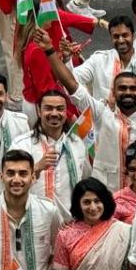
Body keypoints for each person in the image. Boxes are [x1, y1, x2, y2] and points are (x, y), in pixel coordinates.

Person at [43, 30, 136, 193]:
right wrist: (50, 50)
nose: (127, 92)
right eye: (122, 88)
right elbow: (71, 84)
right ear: (113, 92)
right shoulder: (101, 114)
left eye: (133, 88)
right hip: (108, 199)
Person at [18, 0, 100, 126]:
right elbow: (45, 87)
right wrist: (69, 114)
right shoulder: (37, 49)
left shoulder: (36, 43)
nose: (54, 18)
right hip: (42, 106)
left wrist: (66, 56)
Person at [11, 88, 92, 221]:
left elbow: (86, 181)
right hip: (34, 222)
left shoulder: (77, 143)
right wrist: (36, 168)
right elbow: (11, 184)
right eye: (48, 108)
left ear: (66, 113)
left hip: (71, 223)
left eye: (60, 109)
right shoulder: (22, 145)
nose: (54, 113)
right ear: (38, 111)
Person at [70, 16, 136, 113]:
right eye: (116, 36)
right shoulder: (98, 60)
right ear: (111, 38)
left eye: (125, 35)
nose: (120, 40)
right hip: (107, 125)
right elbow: (72, 79)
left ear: (133, 36)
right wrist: (67, 59)